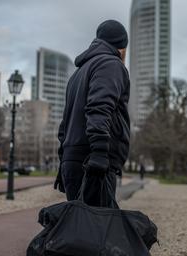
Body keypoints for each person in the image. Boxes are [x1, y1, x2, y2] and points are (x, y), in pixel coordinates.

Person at [54, 20, 130, 207]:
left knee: (80, 226)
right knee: (97, 228)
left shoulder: (77, 74)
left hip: (73, 159)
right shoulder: (110, 64)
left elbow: (65, 125)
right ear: (122, 48)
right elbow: (100, 107)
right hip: (93, 161)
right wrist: (100, 151)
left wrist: (64, 159)